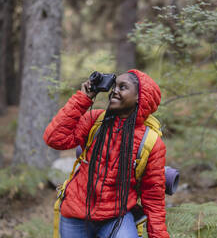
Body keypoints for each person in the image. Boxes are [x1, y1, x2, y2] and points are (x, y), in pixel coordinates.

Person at [43, 69, 169, 238]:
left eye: (123, 87)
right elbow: (54, 139)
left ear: (140, 96)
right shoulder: (96, 120)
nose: (114, 90)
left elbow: (153, 197)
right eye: (114, 86)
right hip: (75, 215)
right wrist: (83, 99)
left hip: (115, 218)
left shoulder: (151, 142)